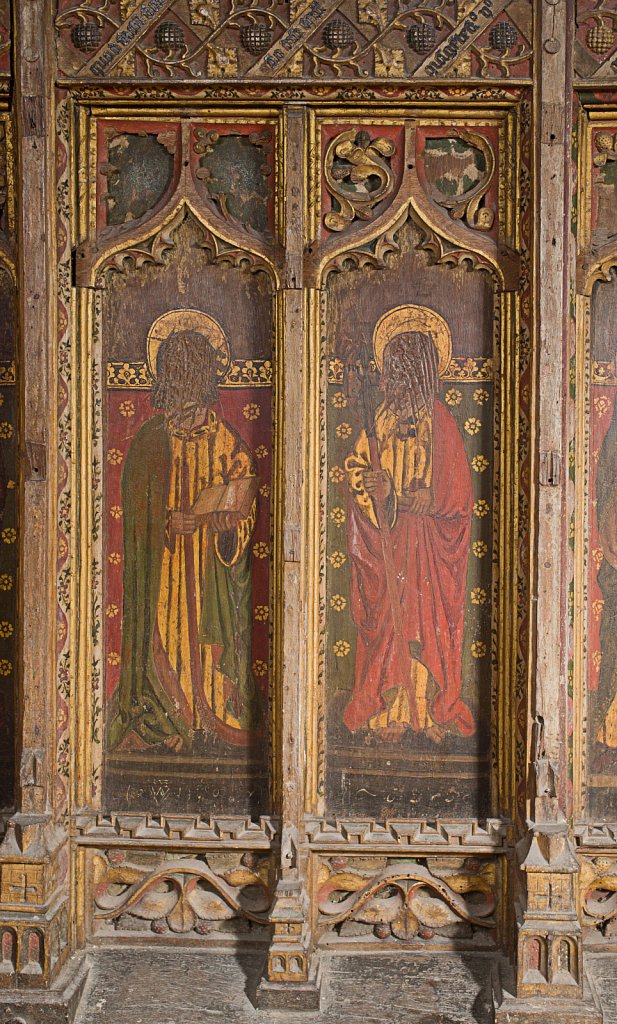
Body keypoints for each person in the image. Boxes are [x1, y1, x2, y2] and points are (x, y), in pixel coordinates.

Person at [108, 327, 260, 752]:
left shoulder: (226, 441)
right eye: (172, 378)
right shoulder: (149, 441)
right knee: (166, 636)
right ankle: (168, 719)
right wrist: (165, 524)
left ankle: (208, 715)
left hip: (209, 571)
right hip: (165, 568)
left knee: (206, 650)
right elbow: (135, 518)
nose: (178, 390)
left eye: (186, 378)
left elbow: (244, 503)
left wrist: (224, 527)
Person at [343, 329, 475, 743]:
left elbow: (456, 496)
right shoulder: (381, 419)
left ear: (416, 375)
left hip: (427, 550)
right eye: (387, 377)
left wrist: (408, 497)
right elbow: (356, 468)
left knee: (422, 628)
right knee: (388, 628)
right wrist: (372, 488)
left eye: (397, 376)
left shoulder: (440, 422)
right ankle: (388, 716)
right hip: (390, 547)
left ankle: (426, 714)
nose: (389, 384)